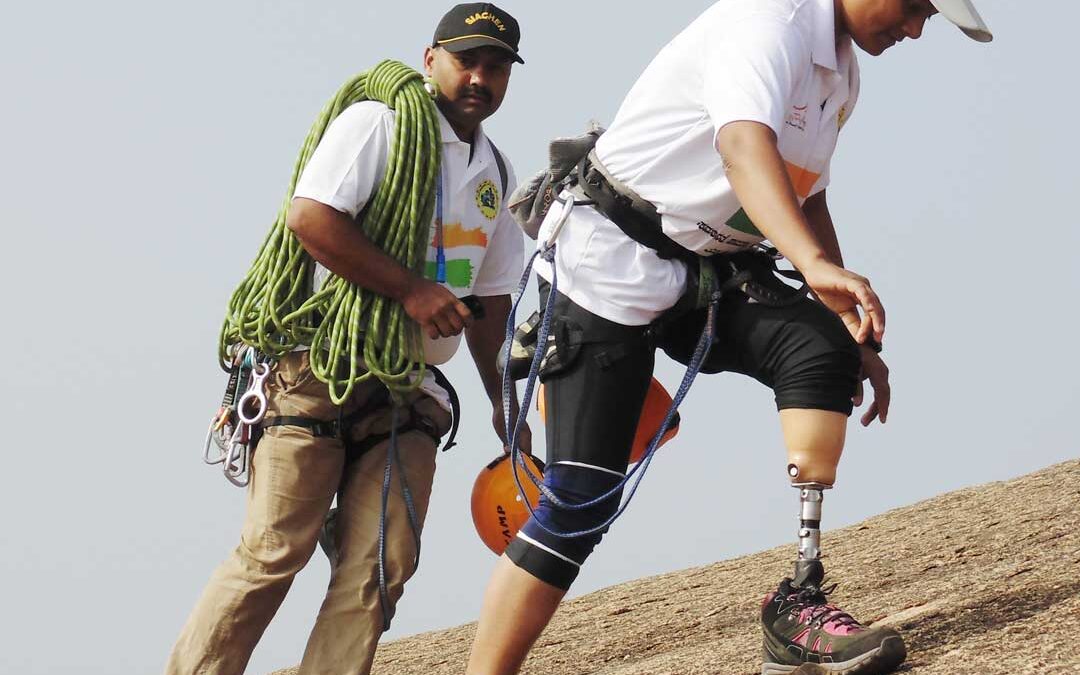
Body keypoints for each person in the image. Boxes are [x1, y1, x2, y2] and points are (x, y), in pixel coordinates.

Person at [467, 1, 992, 674]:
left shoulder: (842, 75)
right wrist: (816, 268)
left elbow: (804, 197)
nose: (917, 27)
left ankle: (798, 606)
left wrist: (842, 319)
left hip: (704, 277)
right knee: (580, 501)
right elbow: (743, 150)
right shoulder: (766, 27)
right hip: (608, 266)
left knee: (821, 348)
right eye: (916, 5)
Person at [166, 4, 529, 674]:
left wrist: (504, 400)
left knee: (382, 566)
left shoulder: (495, 174)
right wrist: (411, 290)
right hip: (321, 369)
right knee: (274, 552)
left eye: (496, 66)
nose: (479, 76)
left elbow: (492, 301)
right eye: (466, 60)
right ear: (431, 60)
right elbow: (309, 218)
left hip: (410, 390)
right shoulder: (380, 125)